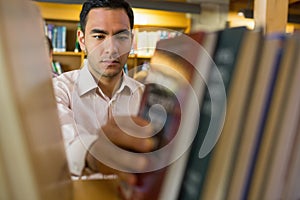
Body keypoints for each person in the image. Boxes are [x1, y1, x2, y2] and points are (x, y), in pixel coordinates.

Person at [52, 0, 156, 190]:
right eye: (99, 36)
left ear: (131, 40)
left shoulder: (145, 98)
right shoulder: (58, 90)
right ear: (82, 40)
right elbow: (58, 145)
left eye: (121, 37)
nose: (111, 49)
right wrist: (94, 154)